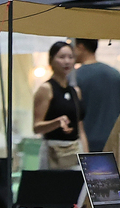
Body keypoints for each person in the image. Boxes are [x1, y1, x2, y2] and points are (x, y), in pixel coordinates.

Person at [34, 40, 89, 169]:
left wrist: (86, 157)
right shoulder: (46, 89)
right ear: (51, 60)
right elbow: (37, 127)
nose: (67, 61)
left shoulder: (75, 91)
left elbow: (80, 129)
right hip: (53, 153)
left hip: (74, 151)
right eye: (62, 57)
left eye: (70, 57)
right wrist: (56, 122)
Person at [72, 38, 120, 152]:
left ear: (81, 47)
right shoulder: (114, 74)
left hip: (87, 144)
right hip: (114, 142)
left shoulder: (75, 77)